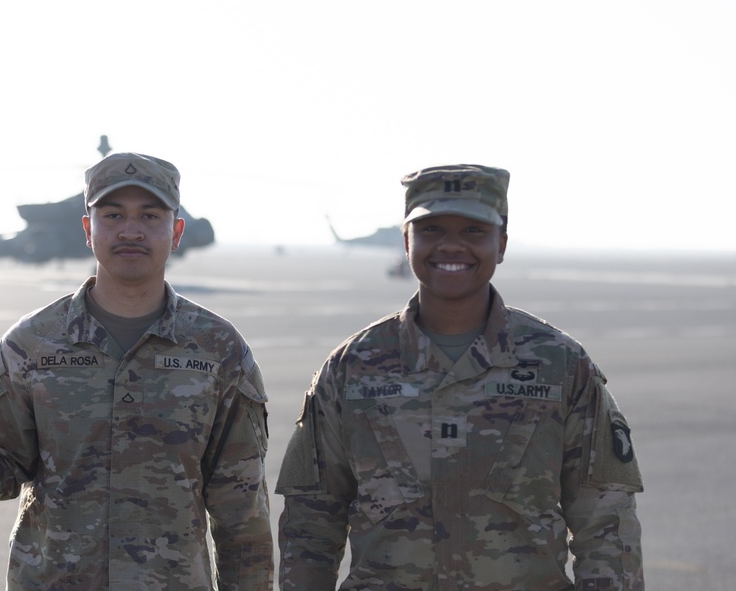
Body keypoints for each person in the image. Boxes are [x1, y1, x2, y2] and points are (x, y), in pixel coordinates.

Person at [275, 164, 643, 590]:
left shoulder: (561, 366)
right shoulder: (351, 369)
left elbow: (607, 525)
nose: (451, 246)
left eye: (473, 231)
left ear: (501, 244)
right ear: (407, 240)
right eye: (431, 230)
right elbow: (310, 528)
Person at [0, 153, 273, 590]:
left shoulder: (220, 351)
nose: (131, 230)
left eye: (149, 215)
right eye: (112, 215)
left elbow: (243, 514)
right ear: (88, 230)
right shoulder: (30, 344)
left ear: (176, 231)